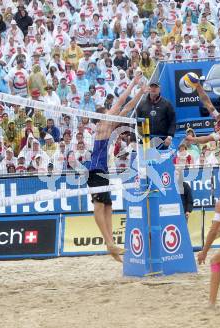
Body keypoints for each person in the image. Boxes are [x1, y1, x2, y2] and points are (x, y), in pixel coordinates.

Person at [87, 75, 146, 263]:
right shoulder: (104, 124)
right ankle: (108, 242)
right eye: (109, 110)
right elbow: (121, 102)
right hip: (95, 169)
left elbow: (127, 108)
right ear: (103, 114)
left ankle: (111, 244)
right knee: (99, 205)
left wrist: (140, 95)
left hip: (103, 171)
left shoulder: (110, 126)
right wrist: (133, 84)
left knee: (108, 206)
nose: (113, 111)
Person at [136, 81, 176, 150]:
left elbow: (173, 121)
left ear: (159, 89)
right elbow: (137, 123)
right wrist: (138, 138)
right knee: (147, 160)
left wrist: (169, 137)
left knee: (162, 160)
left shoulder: (167, 104)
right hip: (146, 141)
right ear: (149, 88)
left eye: (156, 87)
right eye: (152, 86)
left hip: (163, 140)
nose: (153, 89)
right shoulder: (141, 104)